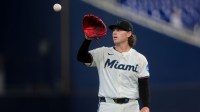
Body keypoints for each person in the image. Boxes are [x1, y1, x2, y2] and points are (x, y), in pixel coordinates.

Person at [77, 19, 150, 112]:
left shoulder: (139, 58)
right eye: (114, 30)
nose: (115, 33)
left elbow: (143, 84)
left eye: (119, 30)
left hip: (131, 106)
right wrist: (87, 39)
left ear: (128, 34)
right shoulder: (103, 53)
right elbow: (81, 57)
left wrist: (146, 106)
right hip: (108, 106)